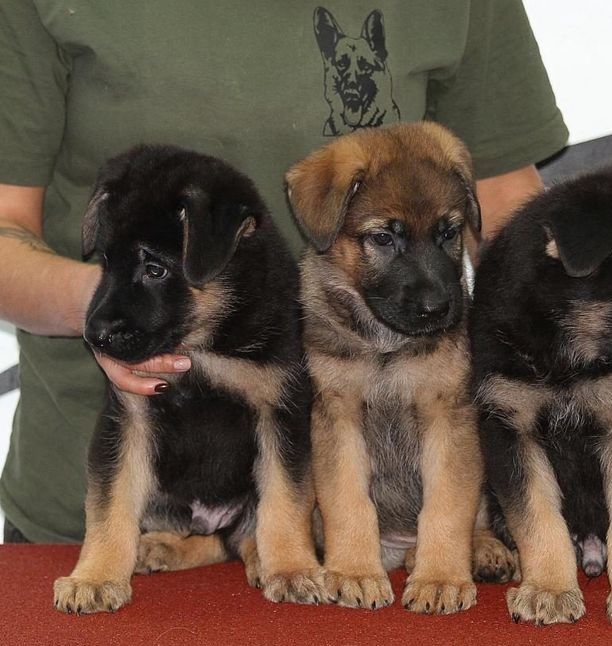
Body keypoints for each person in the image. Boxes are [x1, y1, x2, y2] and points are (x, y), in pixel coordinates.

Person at [0, 1, 568, 543]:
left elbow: (501, 204)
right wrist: (110, 304)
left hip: (373, 524)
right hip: (110, 512)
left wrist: (579, 327)